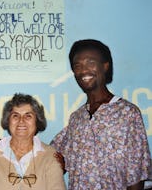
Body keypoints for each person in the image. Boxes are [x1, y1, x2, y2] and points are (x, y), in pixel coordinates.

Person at [50, 39, 151, 189]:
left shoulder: (127, 113)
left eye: (90, 63)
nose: (83, 70)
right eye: (77, 66)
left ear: (105, 66)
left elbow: (136, 175)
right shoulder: (77, 118)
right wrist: (5, 146)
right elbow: (50, 156)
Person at [0, 93, 66, 190]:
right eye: (15, 116)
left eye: (28, 116)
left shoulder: (50, 155)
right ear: (8, 120)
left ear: (37, 121)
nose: (21, 121)